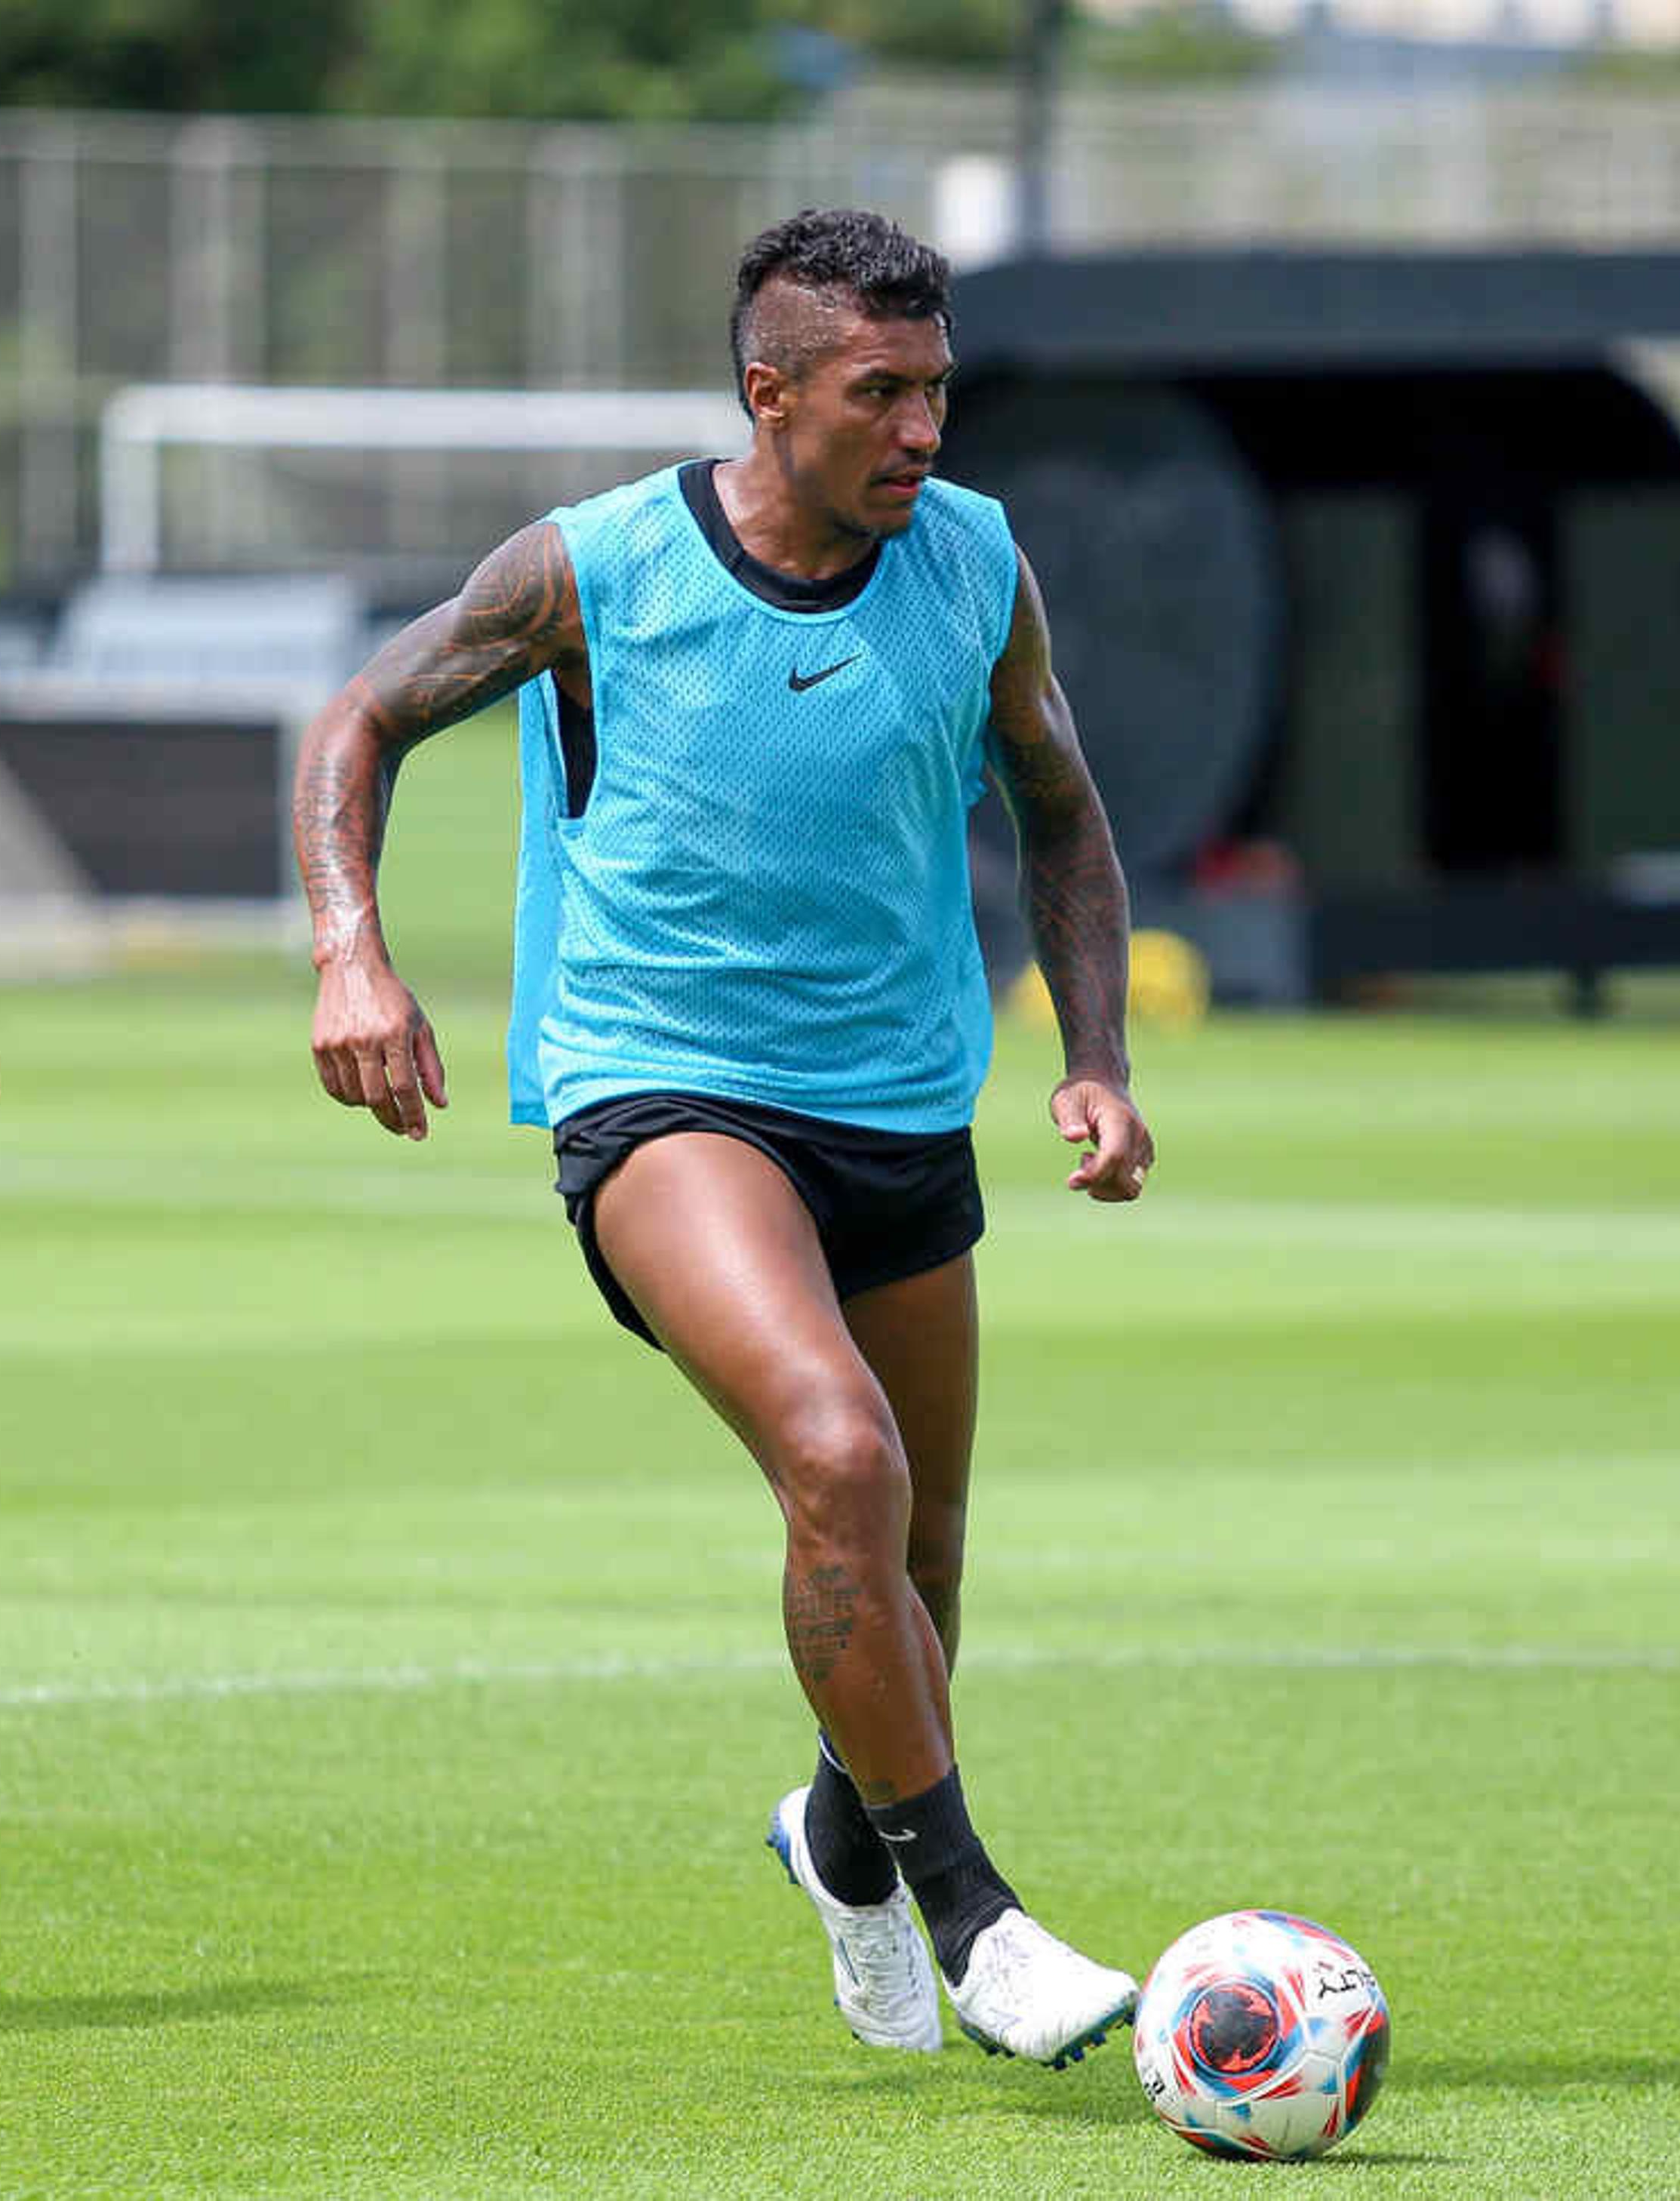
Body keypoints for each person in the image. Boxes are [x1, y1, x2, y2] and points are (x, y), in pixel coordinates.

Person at [293, 208, 1155, 2068]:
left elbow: (1059, 808)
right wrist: (350, 953)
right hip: (663, 1092)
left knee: (917, 1570)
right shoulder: (591, 570)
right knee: (835, 1453)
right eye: (879, 394)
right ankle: (975, 1921)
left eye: (936, 389)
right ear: (768, 394)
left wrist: (1089, 1056)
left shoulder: (976, 562)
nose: (921, 430)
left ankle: (842, 1839)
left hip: (902, 1105)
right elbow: (357, 720)